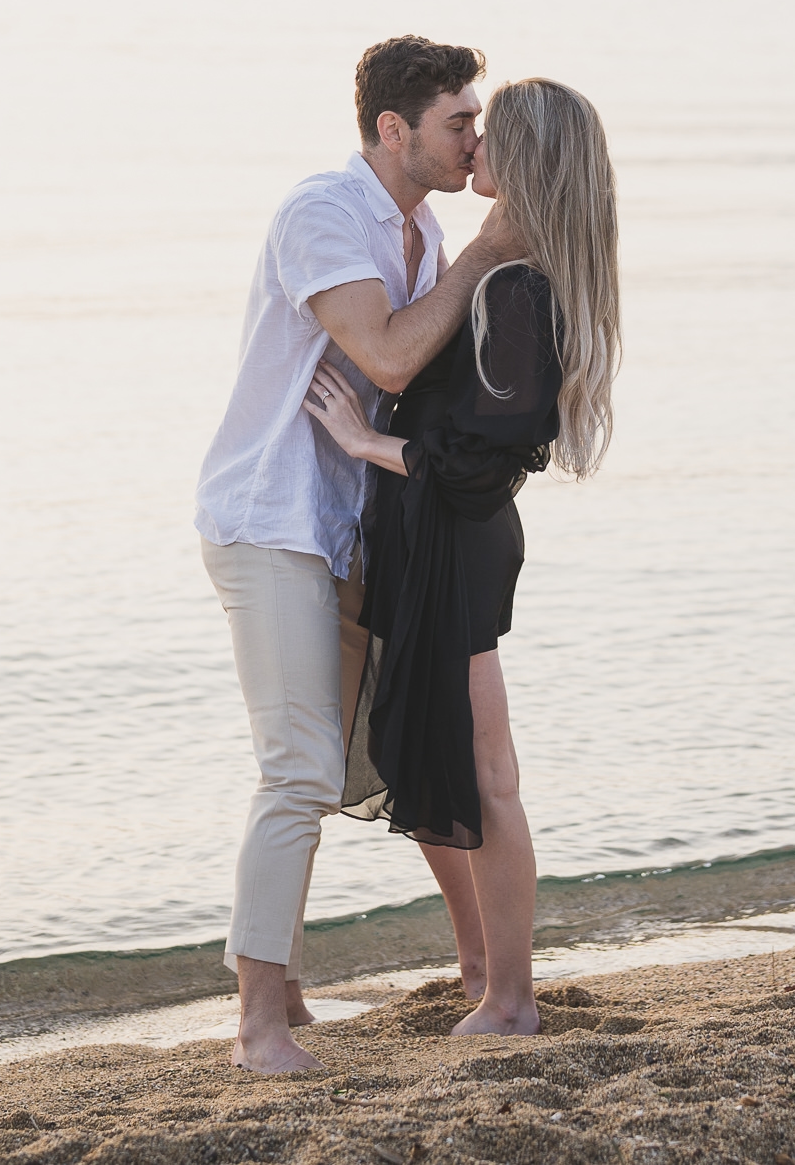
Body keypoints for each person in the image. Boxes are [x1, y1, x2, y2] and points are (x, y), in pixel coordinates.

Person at [193, 34, 523, 1075]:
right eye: (458, 120)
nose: (476, 136)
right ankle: (258, 1025)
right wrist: (490, 247)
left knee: (343, 761)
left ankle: (299, 978)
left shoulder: (420, 234)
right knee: (297, 768)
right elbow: (382, 353)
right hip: (273, 517)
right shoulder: (325, 213)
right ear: (394, 128)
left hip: (348, 526)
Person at [302, 77, 620, 1037]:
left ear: (526, 162)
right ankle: (486, 967)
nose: (470, 147)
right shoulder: (495, 272)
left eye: (489, 135)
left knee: (487, 773)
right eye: (467, 127)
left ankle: (512, 998)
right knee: (437, 755)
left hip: (456, 542)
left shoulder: (517, 286)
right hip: (433, 539)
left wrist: (367, 443)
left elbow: (486, 459)